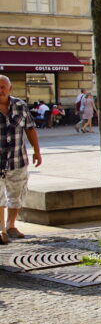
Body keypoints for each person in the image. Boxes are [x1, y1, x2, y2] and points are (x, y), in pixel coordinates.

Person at [0, 75, 42, 243]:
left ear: (10, 89)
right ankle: (1, 229)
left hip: (17, 159)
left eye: (3, 86)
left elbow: (30, 129)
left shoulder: (20, 106)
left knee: (16, 195)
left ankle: (11, 226)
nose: (0, 90)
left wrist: (37, 151)